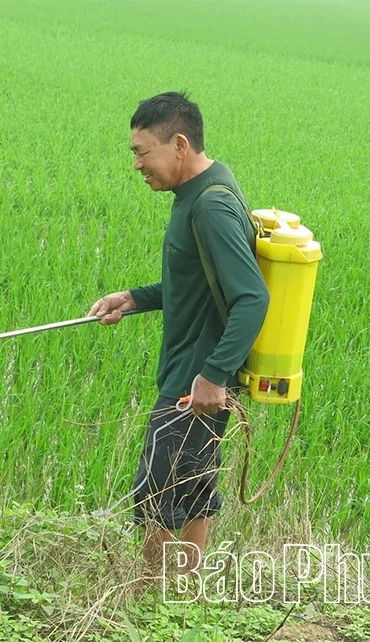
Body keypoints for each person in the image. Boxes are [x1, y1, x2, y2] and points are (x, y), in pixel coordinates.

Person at [88, 91, 269, 579]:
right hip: (199, 375)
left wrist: (213, 376)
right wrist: (134, 298)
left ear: (180, 145)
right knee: (191, 489)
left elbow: (251, 297)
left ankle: (154, 600)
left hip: (195, 380)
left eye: (143, 151)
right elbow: (197, 283)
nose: (138, 164)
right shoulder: (205, 186)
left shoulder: (208, 207)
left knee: (156, 494)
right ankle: (183, 595)